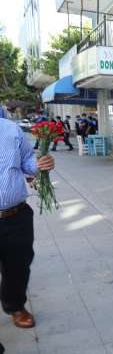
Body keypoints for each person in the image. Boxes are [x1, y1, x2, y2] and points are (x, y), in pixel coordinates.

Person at [0, 117, 55, 329]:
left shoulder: (11, 129)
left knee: (18, 267)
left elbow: (28, 163)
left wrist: (41, 164)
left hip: (16, 216)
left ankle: (15, 306)